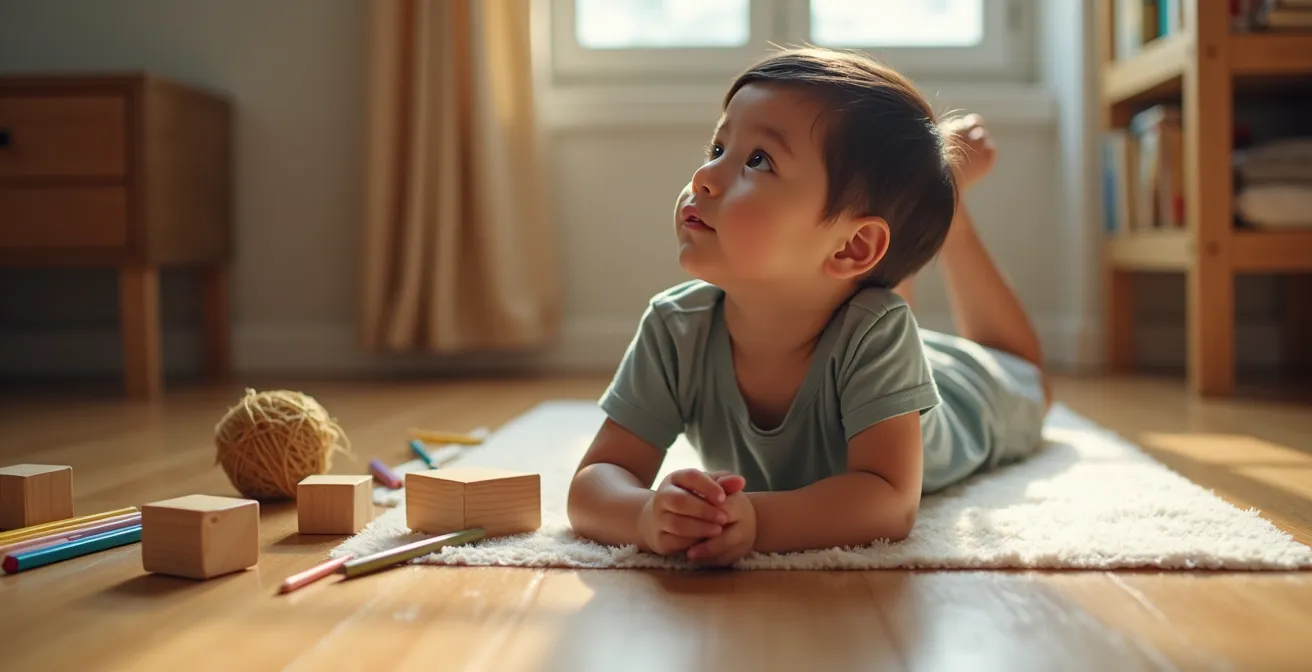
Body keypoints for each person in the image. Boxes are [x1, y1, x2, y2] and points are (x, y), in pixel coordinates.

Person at [566, 47, 1050, 568]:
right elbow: (594, 481)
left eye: (758, 161)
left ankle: (948, 208)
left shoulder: (879, 332)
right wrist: (643, 515)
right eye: (717, 147)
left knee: (1025, 376)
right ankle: (912, 224)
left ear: (851, 247)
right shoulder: (675, 327)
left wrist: (759, 521)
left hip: (961, 392)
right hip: (861, 307)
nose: (704, 178)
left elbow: (888, 499)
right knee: (874, 295)